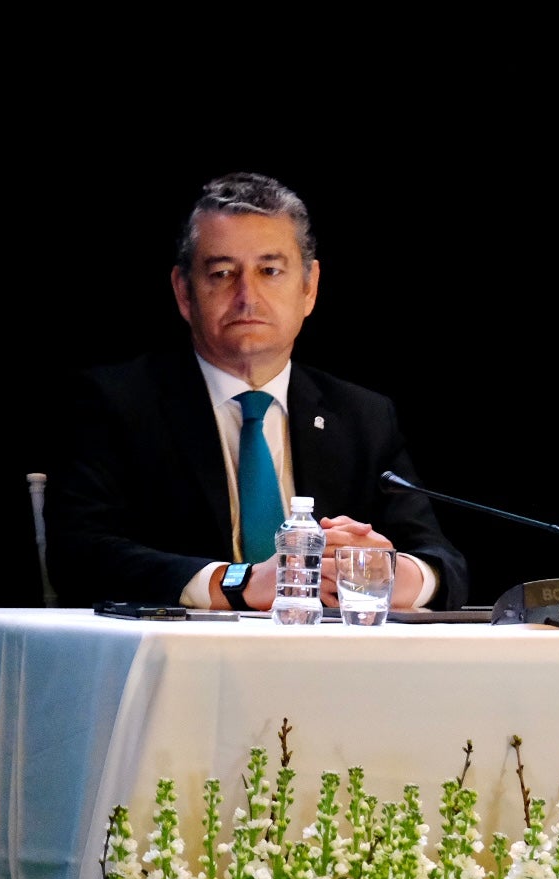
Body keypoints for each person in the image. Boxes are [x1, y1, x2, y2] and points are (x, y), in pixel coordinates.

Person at [46, 171, 469, 612]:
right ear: (184, 293)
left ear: (309, 288)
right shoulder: (113, 402)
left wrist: (397, 576)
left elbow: (442, 562)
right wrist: (240, 583)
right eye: (223, 272)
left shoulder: (362, 417)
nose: (247, 296)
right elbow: (79, 554)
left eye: (270, 271)